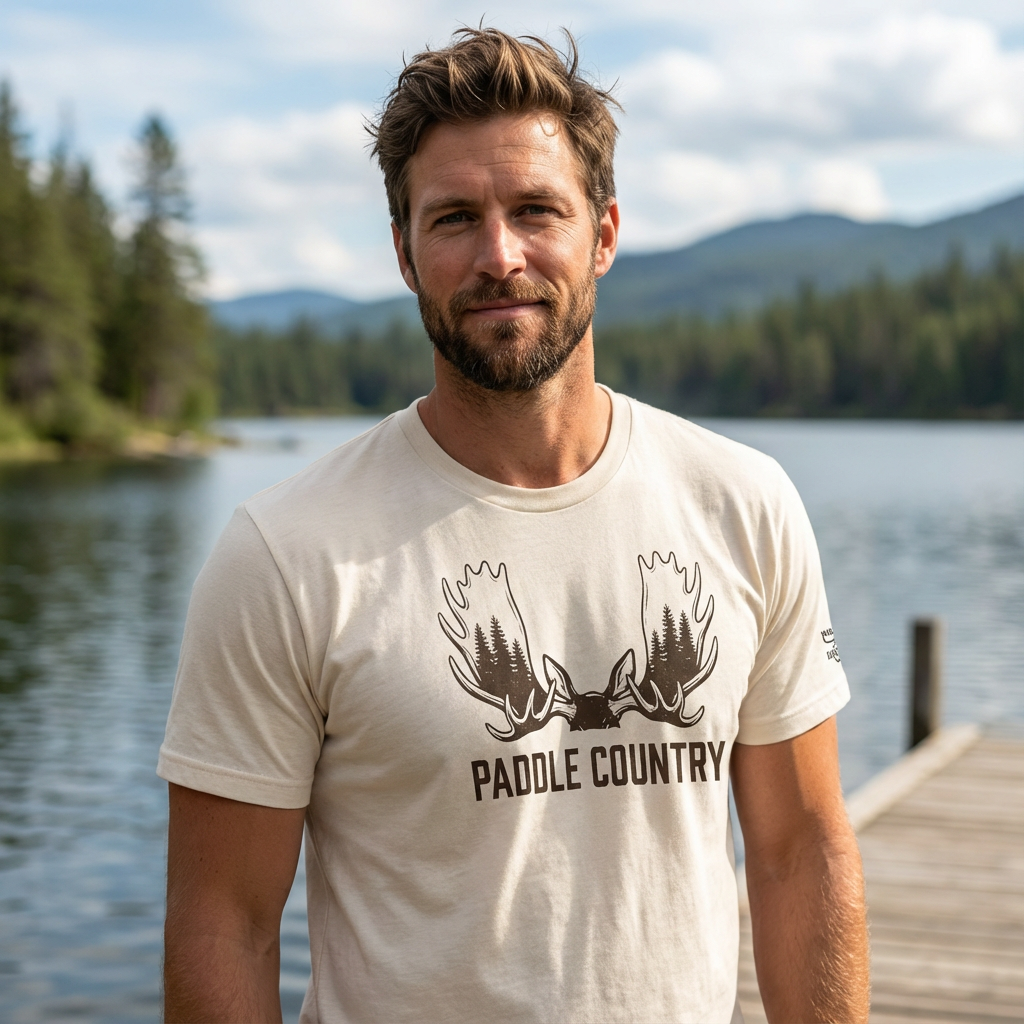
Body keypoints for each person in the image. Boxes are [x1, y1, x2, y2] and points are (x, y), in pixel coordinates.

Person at [160, 27, 869, 1024]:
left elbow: (801, 851)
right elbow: (221, 922)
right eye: (454, 218)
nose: (499, 256)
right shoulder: (287, 552)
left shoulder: (742, 503)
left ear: (604, 234)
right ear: (404, 253)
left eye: (537, 210)